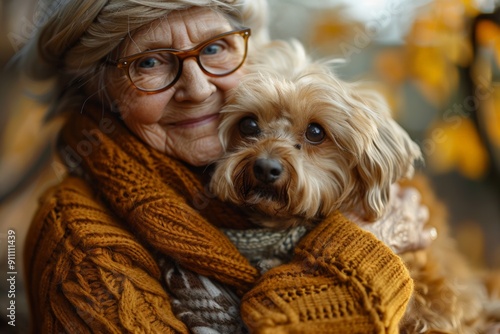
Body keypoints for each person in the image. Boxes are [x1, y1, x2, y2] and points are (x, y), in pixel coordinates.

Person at [17, 0, 433, 333]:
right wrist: (366, 247)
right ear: (94, 86)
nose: (197, 89)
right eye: (150, 62)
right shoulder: (80, 252)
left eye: (214, 48)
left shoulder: (275, 192)